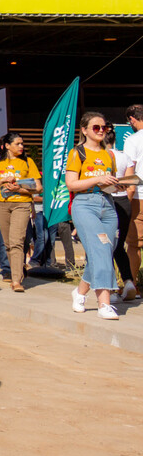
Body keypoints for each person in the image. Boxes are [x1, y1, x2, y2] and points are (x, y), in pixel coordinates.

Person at [66, 112, 128, 319]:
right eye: (96, 127)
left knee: (104, 252)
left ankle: (80, 292)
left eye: (105, 127)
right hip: (85, 205)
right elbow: (72, 184)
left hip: (107, 204)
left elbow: (108, 181)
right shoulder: (77, 153)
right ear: (84, 130)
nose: (102, 130)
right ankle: (104, 303)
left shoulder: (109, 154)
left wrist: (116, 184)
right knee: (101, 248)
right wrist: (97, 179)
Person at [0, 131, 42, 292]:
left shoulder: (28, 162)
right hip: (1, 205)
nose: (21, 147)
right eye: (18, 144)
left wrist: (20, 188)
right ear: (7, 146)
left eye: (22, 144)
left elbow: (38, 187)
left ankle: (16, 280)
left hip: (21, 204)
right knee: (7, 243)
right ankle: (16, 269)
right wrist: (2, 181)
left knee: (17, 240)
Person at [104, 126, 138, 302]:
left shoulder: (99, 157)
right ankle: (129, 281)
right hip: (124, 201)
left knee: (104, 246)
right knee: (119, 245)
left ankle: (109, 288)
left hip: (106, 201)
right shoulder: (124, 156)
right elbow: (131, 185)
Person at [123, 104, 143, 288]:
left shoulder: (133, 140)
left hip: (139, 196)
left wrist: (126, 197)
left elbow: (129, 171)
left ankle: (132, 285)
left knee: (134, 244)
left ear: (132, 119)